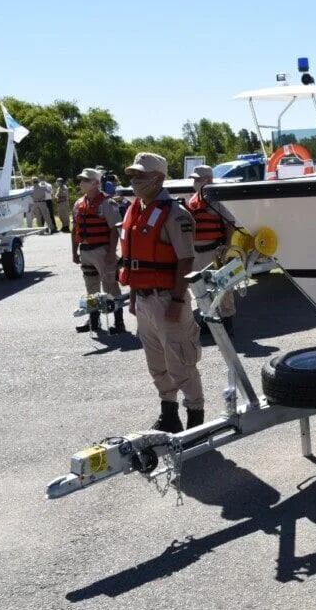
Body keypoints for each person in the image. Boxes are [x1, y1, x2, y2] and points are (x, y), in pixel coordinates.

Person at [119, 152, 204, 433]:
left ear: (158, 178)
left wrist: (178, 300)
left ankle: (195, 418)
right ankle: (169, 415)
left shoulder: (175, 214)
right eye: (133, 175)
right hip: (144, 300)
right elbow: (133, 260)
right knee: (157, 363)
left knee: (181, 362)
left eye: (140, 175)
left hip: (168, 298)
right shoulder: (136, 210)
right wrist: (133, 296)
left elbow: (186, 259)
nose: (135, 180)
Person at [71, 168, 125, 334]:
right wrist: (74, 252)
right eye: (81, 179)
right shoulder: (79, 203)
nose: (81, 183)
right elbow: (74, 230)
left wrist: (111, 252)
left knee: (110, 286)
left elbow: (114, 229)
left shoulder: (108, 203)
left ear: (96, 183)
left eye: (85, 180)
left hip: (102, 250)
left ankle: (118, 322)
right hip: (85, 250)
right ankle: (93, 321)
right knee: (91, 288)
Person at [186, 165, 238, 336]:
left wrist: (227, 247)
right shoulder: (192, 200)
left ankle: (228, 322)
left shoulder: (217, 200)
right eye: (193, 179)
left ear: (207, 180)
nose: (194, 182)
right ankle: (208, 321)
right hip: (196, 252)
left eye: (197, 179)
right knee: (202, 289)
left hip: (214, 251)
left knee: (223, 286)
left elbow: (230, 223)